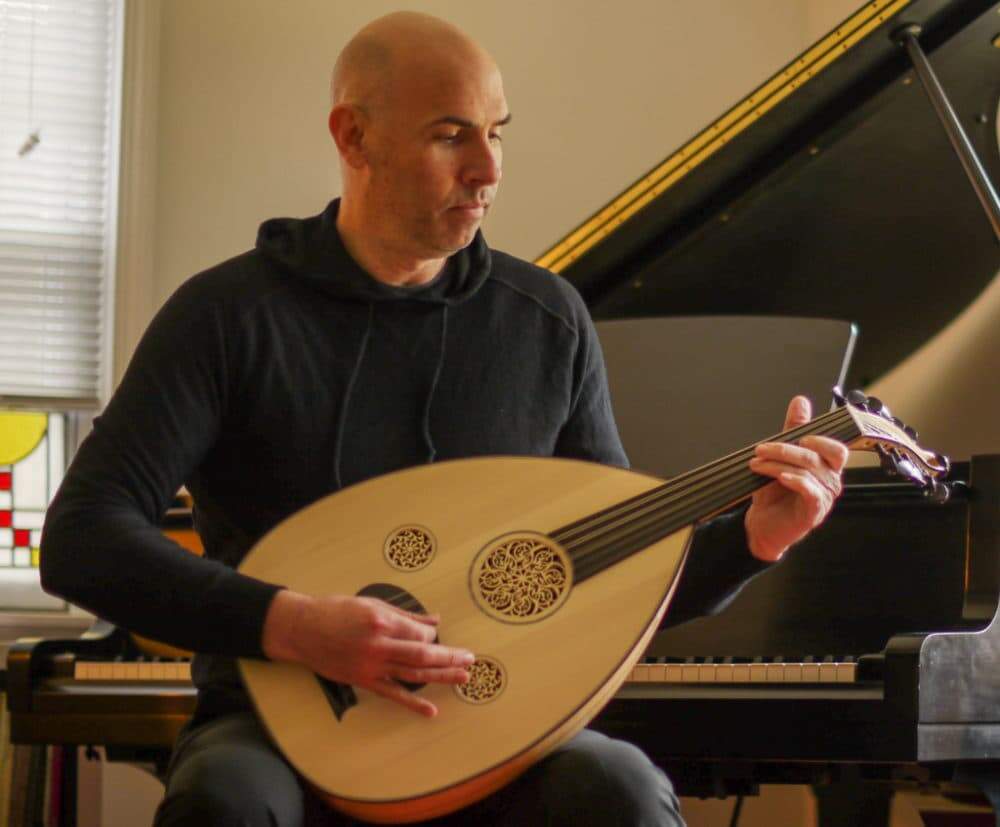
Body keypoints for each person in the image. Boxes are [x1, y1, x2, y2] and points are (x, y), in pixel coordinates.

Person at [40, 11, 848, 827]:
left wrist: (755, 539)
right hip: (278, 719)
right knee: (227, 801)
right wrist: (293, 625)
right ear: (353, 137)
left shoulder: (546, 321)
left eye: (497, 132)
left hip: (494, 727)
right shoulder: (229, 316)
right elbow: (83, 535)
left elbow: (612, 578)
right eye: (451, 135)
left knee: (622, 791)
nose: (488, 167)